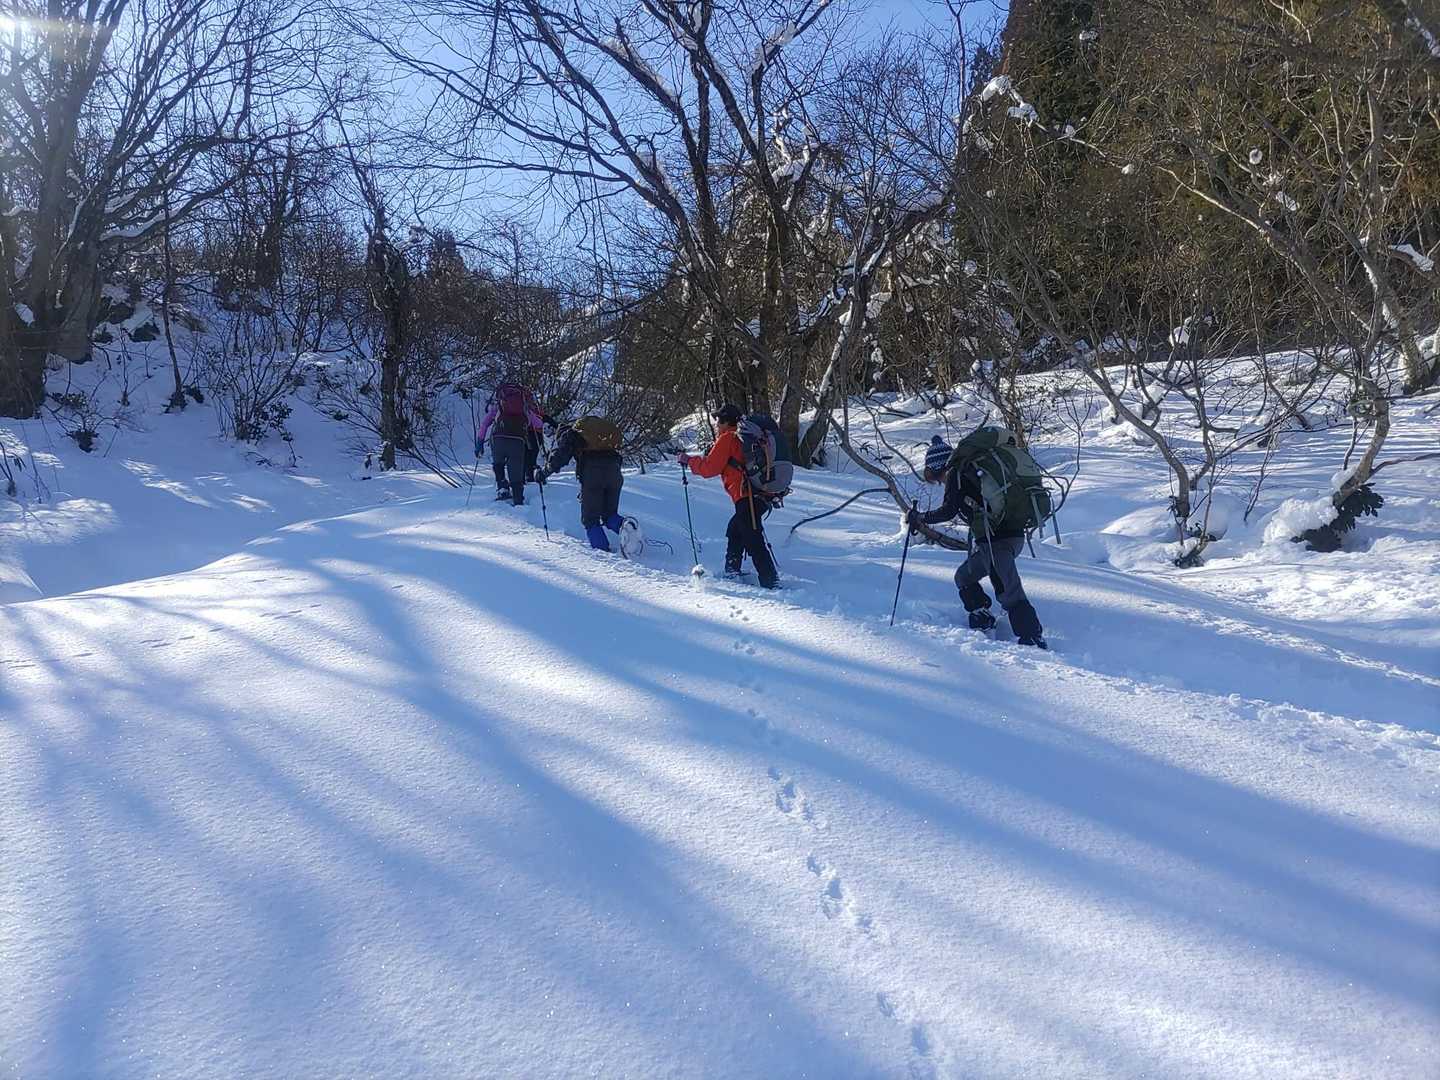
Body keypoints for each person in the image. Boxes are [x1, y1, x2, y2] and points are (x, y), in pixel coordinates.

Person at [909, 433, 1046, 648]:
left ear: (938, 468)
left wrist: (921, 518)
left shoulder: (956, 473)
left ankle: (1033, 637)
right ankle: (982, 617)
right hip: (1006, 537)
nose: (940, 482)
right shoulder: (970, 471)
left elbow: (948, 511)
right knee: (964, 576)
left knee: (1008, 590)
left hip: (996, 540)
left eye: (936, 477)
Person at [678, 404, 779, 588]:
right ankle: (732, 571)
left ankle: (771, 582)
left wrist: (689, 460)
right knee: (736, 529)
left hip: (747, 496)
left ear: (726, 422)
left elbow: (709, 468)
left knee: (753, 538)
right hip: (763, 495)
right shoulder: (747, 438)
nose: (716, 425)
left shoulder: (728, 438)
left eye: (718, 421)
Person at [535, 415, 641, 554]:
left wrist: (543, 473)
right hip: (615, 473)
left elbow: (560, 458)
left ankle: (603, 553)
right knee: (609, 515)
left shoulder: (570, 435)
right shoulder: (595, 438)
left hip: (593, 475)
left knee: (590, 520)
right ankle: (627, 527)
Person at [475, 383, 544, 506]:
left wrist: (480, 442)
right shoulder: (524, 409)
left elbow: (485, 424)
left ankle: (503, 489)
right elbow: (539, 424)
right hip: (517, 441)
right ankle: (518, 498)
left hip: (498, 440)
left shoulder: (498, 407)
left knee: (498, 464)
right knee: (515, 469)